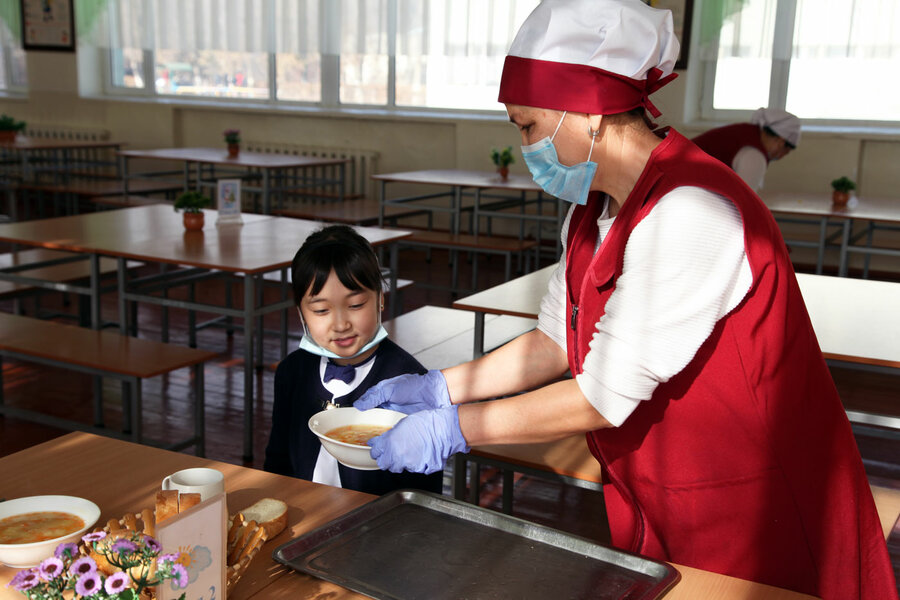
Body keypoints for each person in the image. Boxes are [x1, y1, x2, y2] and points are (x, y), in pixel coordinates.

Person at [353, 1, 897, 598]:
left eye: (528, 126)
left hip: (755, 502)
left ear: (586, 111)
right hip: (663, 486)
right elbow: (553, 341)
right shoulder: (592, 211)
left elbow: (602, 395)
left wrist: (453, 428)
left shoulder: (693, 209)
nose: (527, 146)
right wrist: (439, 387)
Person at [263, 224, 442, 496]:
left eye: (355, 305)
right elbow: (278, 461)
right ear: (301, 313)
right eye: (321, 310)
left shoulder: (407, 381)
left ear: (380, 299)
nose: (340, 324)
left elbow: (425, 485)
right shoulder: (292, 371)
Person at [692, 107, 801, 191]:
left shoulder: (747, 132)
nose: (780, 157)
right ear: (780, 142)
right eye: (785, 152)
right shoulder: (754, 154)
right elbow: (745, 201)